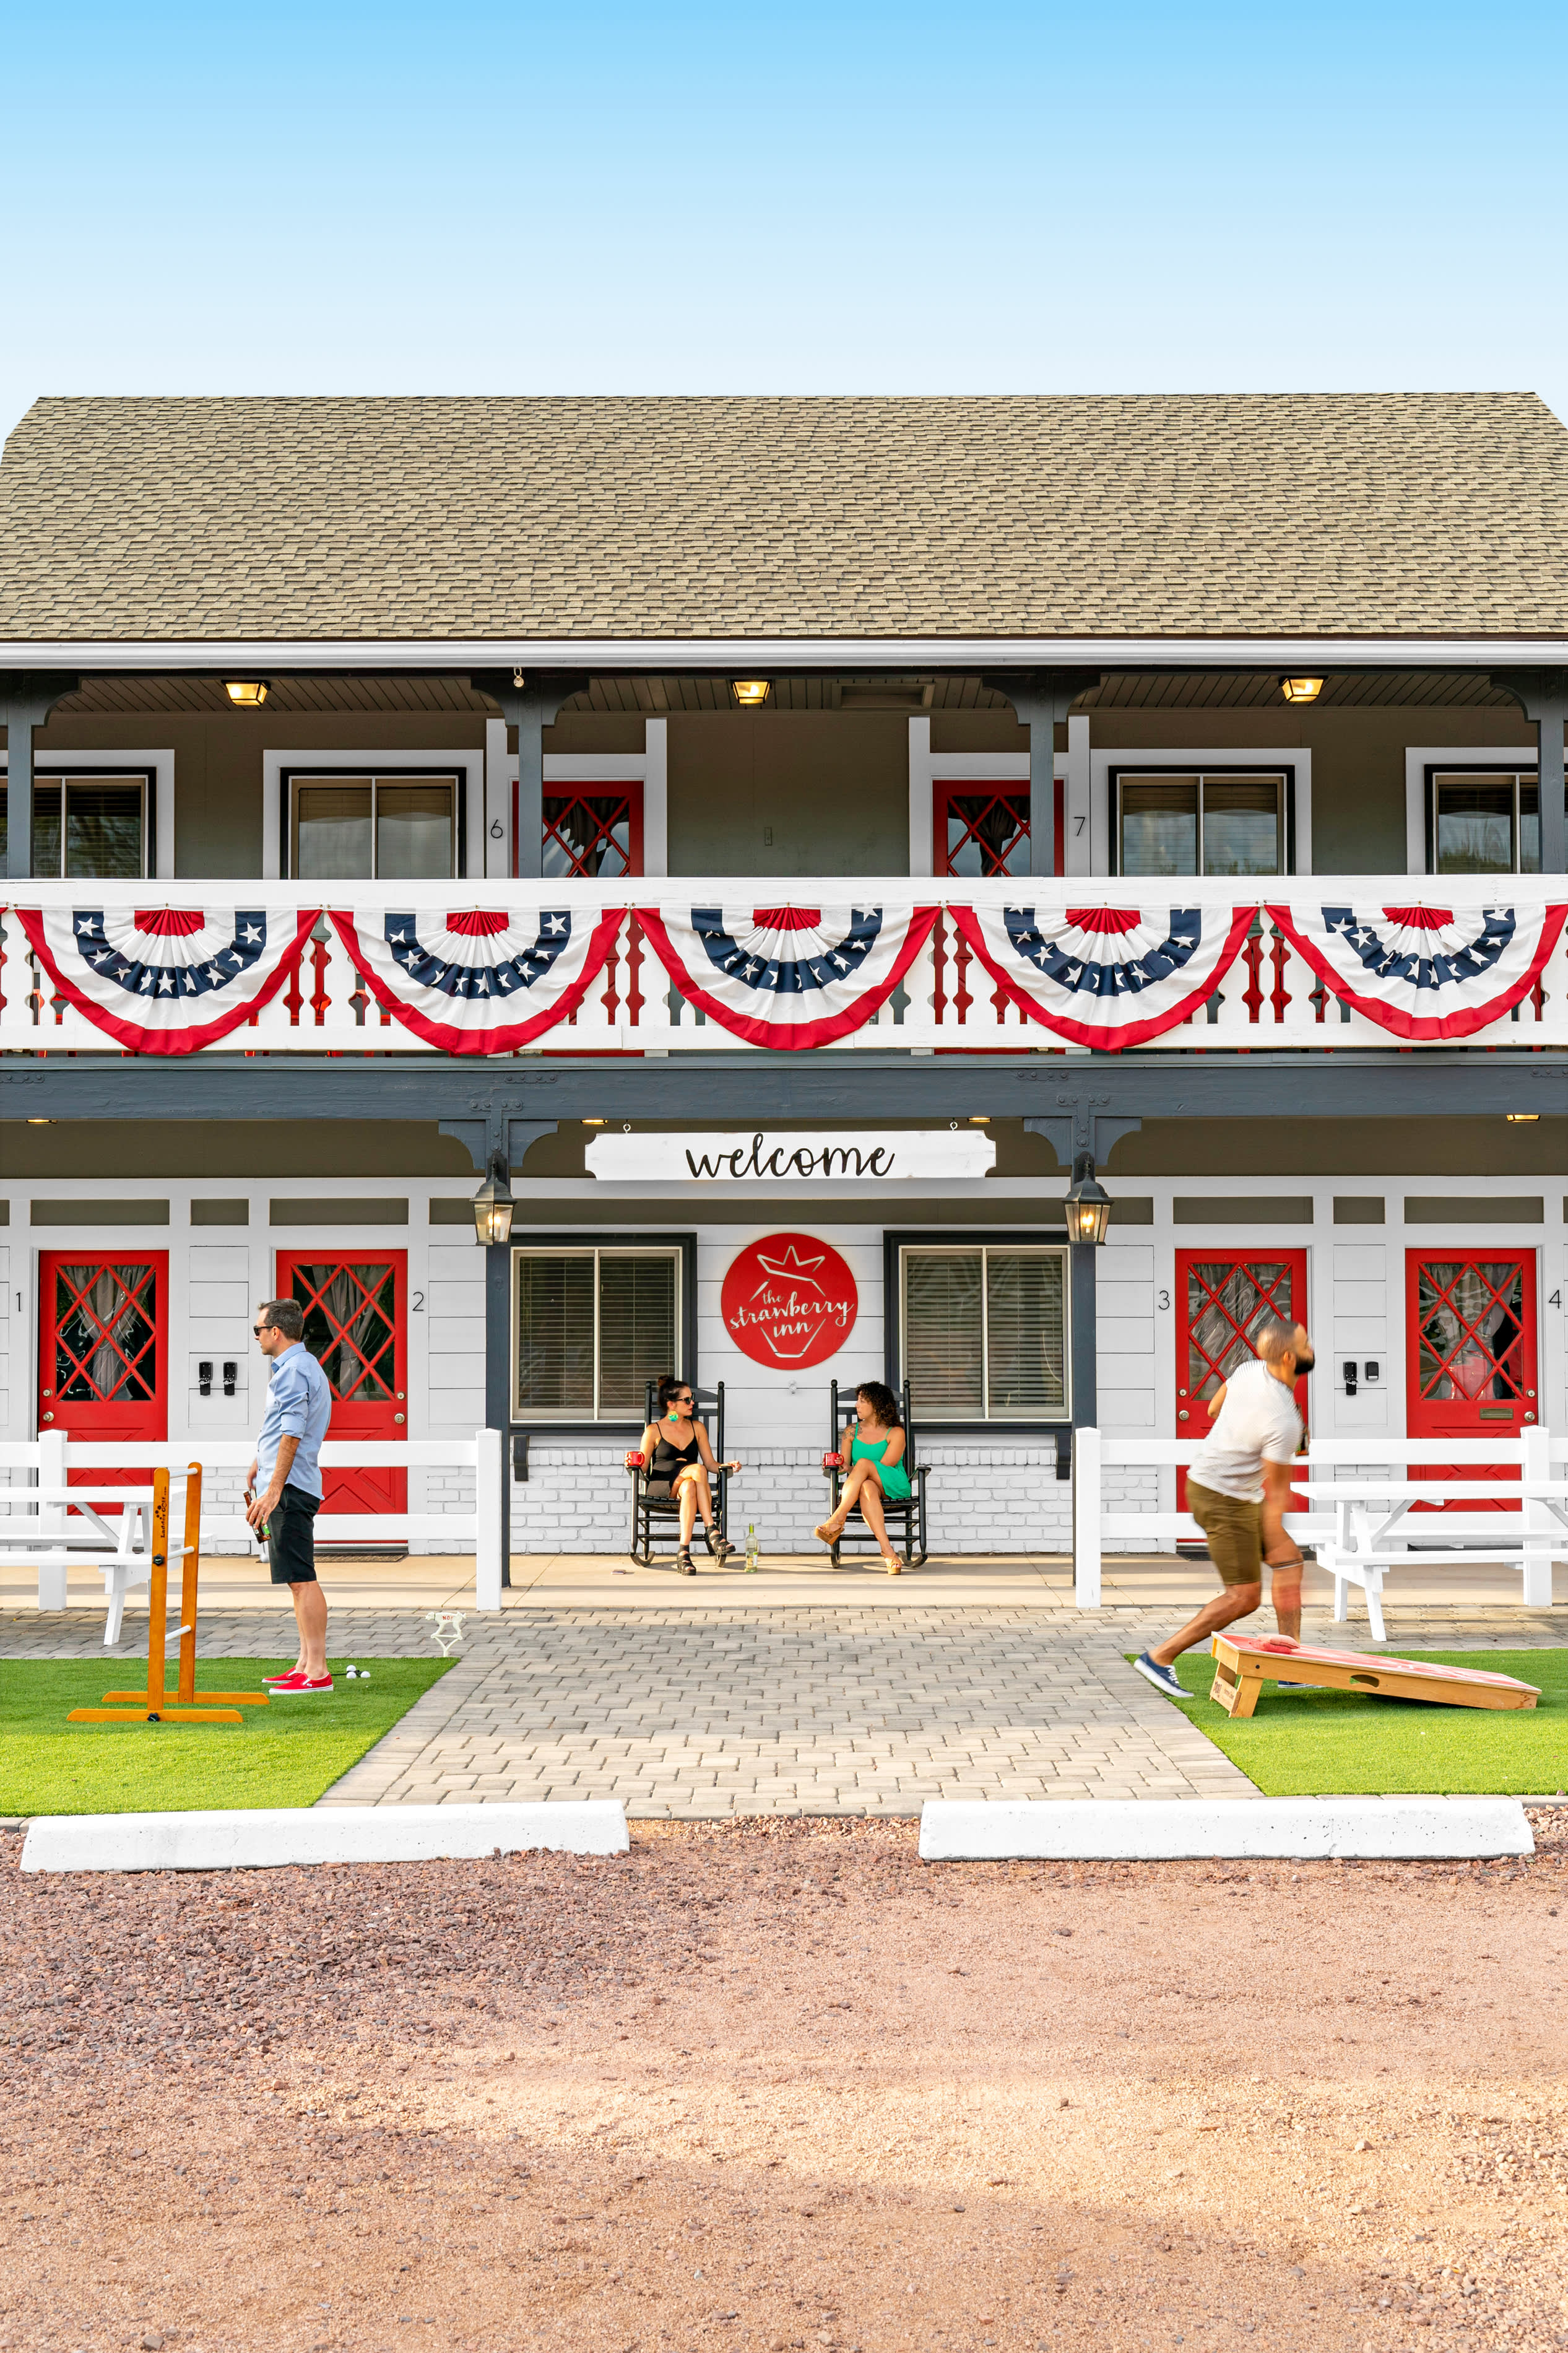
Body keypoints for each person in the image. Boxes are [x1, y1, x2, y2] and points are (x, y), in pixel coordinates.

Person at [1133, 1320, 1314, 1699]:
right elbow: (1278, 1494)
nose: (1311, 1348)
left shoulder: (1250, 1369)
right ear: (1288, 1357)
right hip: (1222, 1497)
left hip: (1219, 1488)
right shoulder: (1282, 1419)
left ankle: (1289, 1666)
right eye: (1305, 1344)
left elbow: (1215, 1408)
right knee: (1244, 1596)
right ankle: (1159, 1656)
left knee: (1289, 1563)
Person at [245, 1297, 334, 1691]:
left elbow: (293, 1430)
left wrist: (274, 1489)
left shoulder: (293, 1370)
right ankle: (304, 1664)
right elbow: (281, 1425)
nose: (257, 1338)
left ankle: (317, 1671)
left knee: (301, 1578)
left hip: (291, 1488)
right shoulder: (302, 1365)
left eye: (258, 1330)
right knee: (295, 1578)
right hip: (290, 1482)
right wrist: (258, 1463)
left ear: (276, 1332)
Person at [637, 1376, 742, 1575]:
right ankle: (712, 1530)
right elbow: (642, 1468)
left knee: (691, 1485)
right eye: (687, 1400)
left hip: (686, 1487)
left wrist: (726, 1465)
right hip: (662, 1484)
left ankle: (683, 1553)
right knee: (698, 1469)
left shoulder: (697, 1428)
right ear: (671, 1404)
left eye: (691, 1398)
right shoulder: (654, 1431)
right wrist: (631, 1463)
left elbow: (711, 1464)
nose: (692, 1402)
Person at [815, 1380, 911, 1574]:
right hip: (865, 1486)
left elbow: (886, 1466)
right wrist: (838, 1466)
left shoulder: (896, 1432)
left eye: (862, 1402)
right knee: (867, 1486)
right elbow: (847, 1466)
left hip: (892, 1482)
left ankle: (838, 1518)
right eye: (857, 1401)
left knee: (865, 1465)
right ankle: (888, 1552)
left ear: (877, 1405)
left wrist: (856, 1468)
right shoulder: (852, 1431)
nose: (857, 1406)